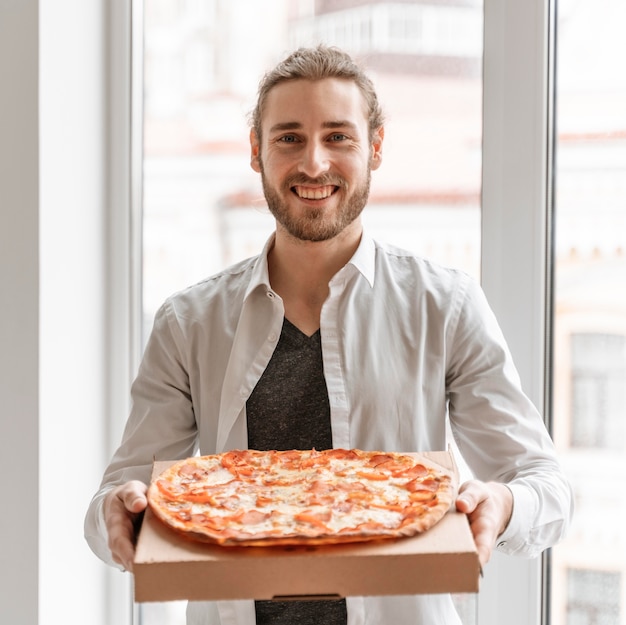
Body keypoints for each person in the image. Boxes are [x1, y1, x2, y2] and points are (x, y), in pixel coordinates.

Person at [85, 45, 573, 625]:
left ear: (376, 147)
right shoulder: (187, 321)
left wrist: (504, 504)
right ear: (256, 151)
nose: (313, 164)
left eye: (338, 136)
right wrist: (117, 514)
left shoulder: (445, 304)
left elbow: (547, 487)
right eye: (288, 137)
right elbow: (120, 493)